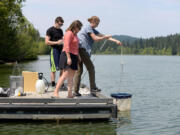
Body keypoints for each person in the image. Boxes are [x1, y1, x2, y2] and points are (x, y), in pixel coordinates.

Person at [73, 16, 122, 96]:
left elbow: (103, 35)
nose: (98, 25)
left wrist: (116, 41)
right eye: (97, 23)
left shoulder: (92, 29)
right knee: (91, 68)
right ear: (94, 22)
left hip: (80, 50)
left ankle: (75, 91)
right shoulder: (88, 27)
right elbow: (95, 38)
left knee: (79, 71)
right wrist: (104, 37)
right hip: (82, 50)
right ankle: (93, 87)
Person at [53, 20, 82, 98]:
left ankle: (69, 94)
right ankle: (56, 92)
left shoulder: (75, 35)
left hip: (74, 55)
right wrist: (69, 58)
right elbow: (66, 46)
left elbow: (76, 47)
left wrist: (78, 56)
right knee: (65, 75)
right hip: (67, 55)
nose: (79, 30)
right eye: (79, 28)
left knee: (71, 76)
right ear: (75, 27)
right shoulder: (69, 33)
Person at [45, 16, 66, 89]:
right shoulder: (50, 30)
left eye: (62, 25)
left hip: (61, 50)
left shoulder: (61, 30)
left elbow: (62, 39)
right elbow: (46, 42)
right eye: (60, 24)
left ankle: (61, 83)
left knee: (62, 68)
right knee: (53, 69)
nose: (60, 26)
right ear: (56, 22)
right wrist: (57, 42)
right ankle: (53, 84)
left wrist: (63, 40)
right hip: (54, 50)